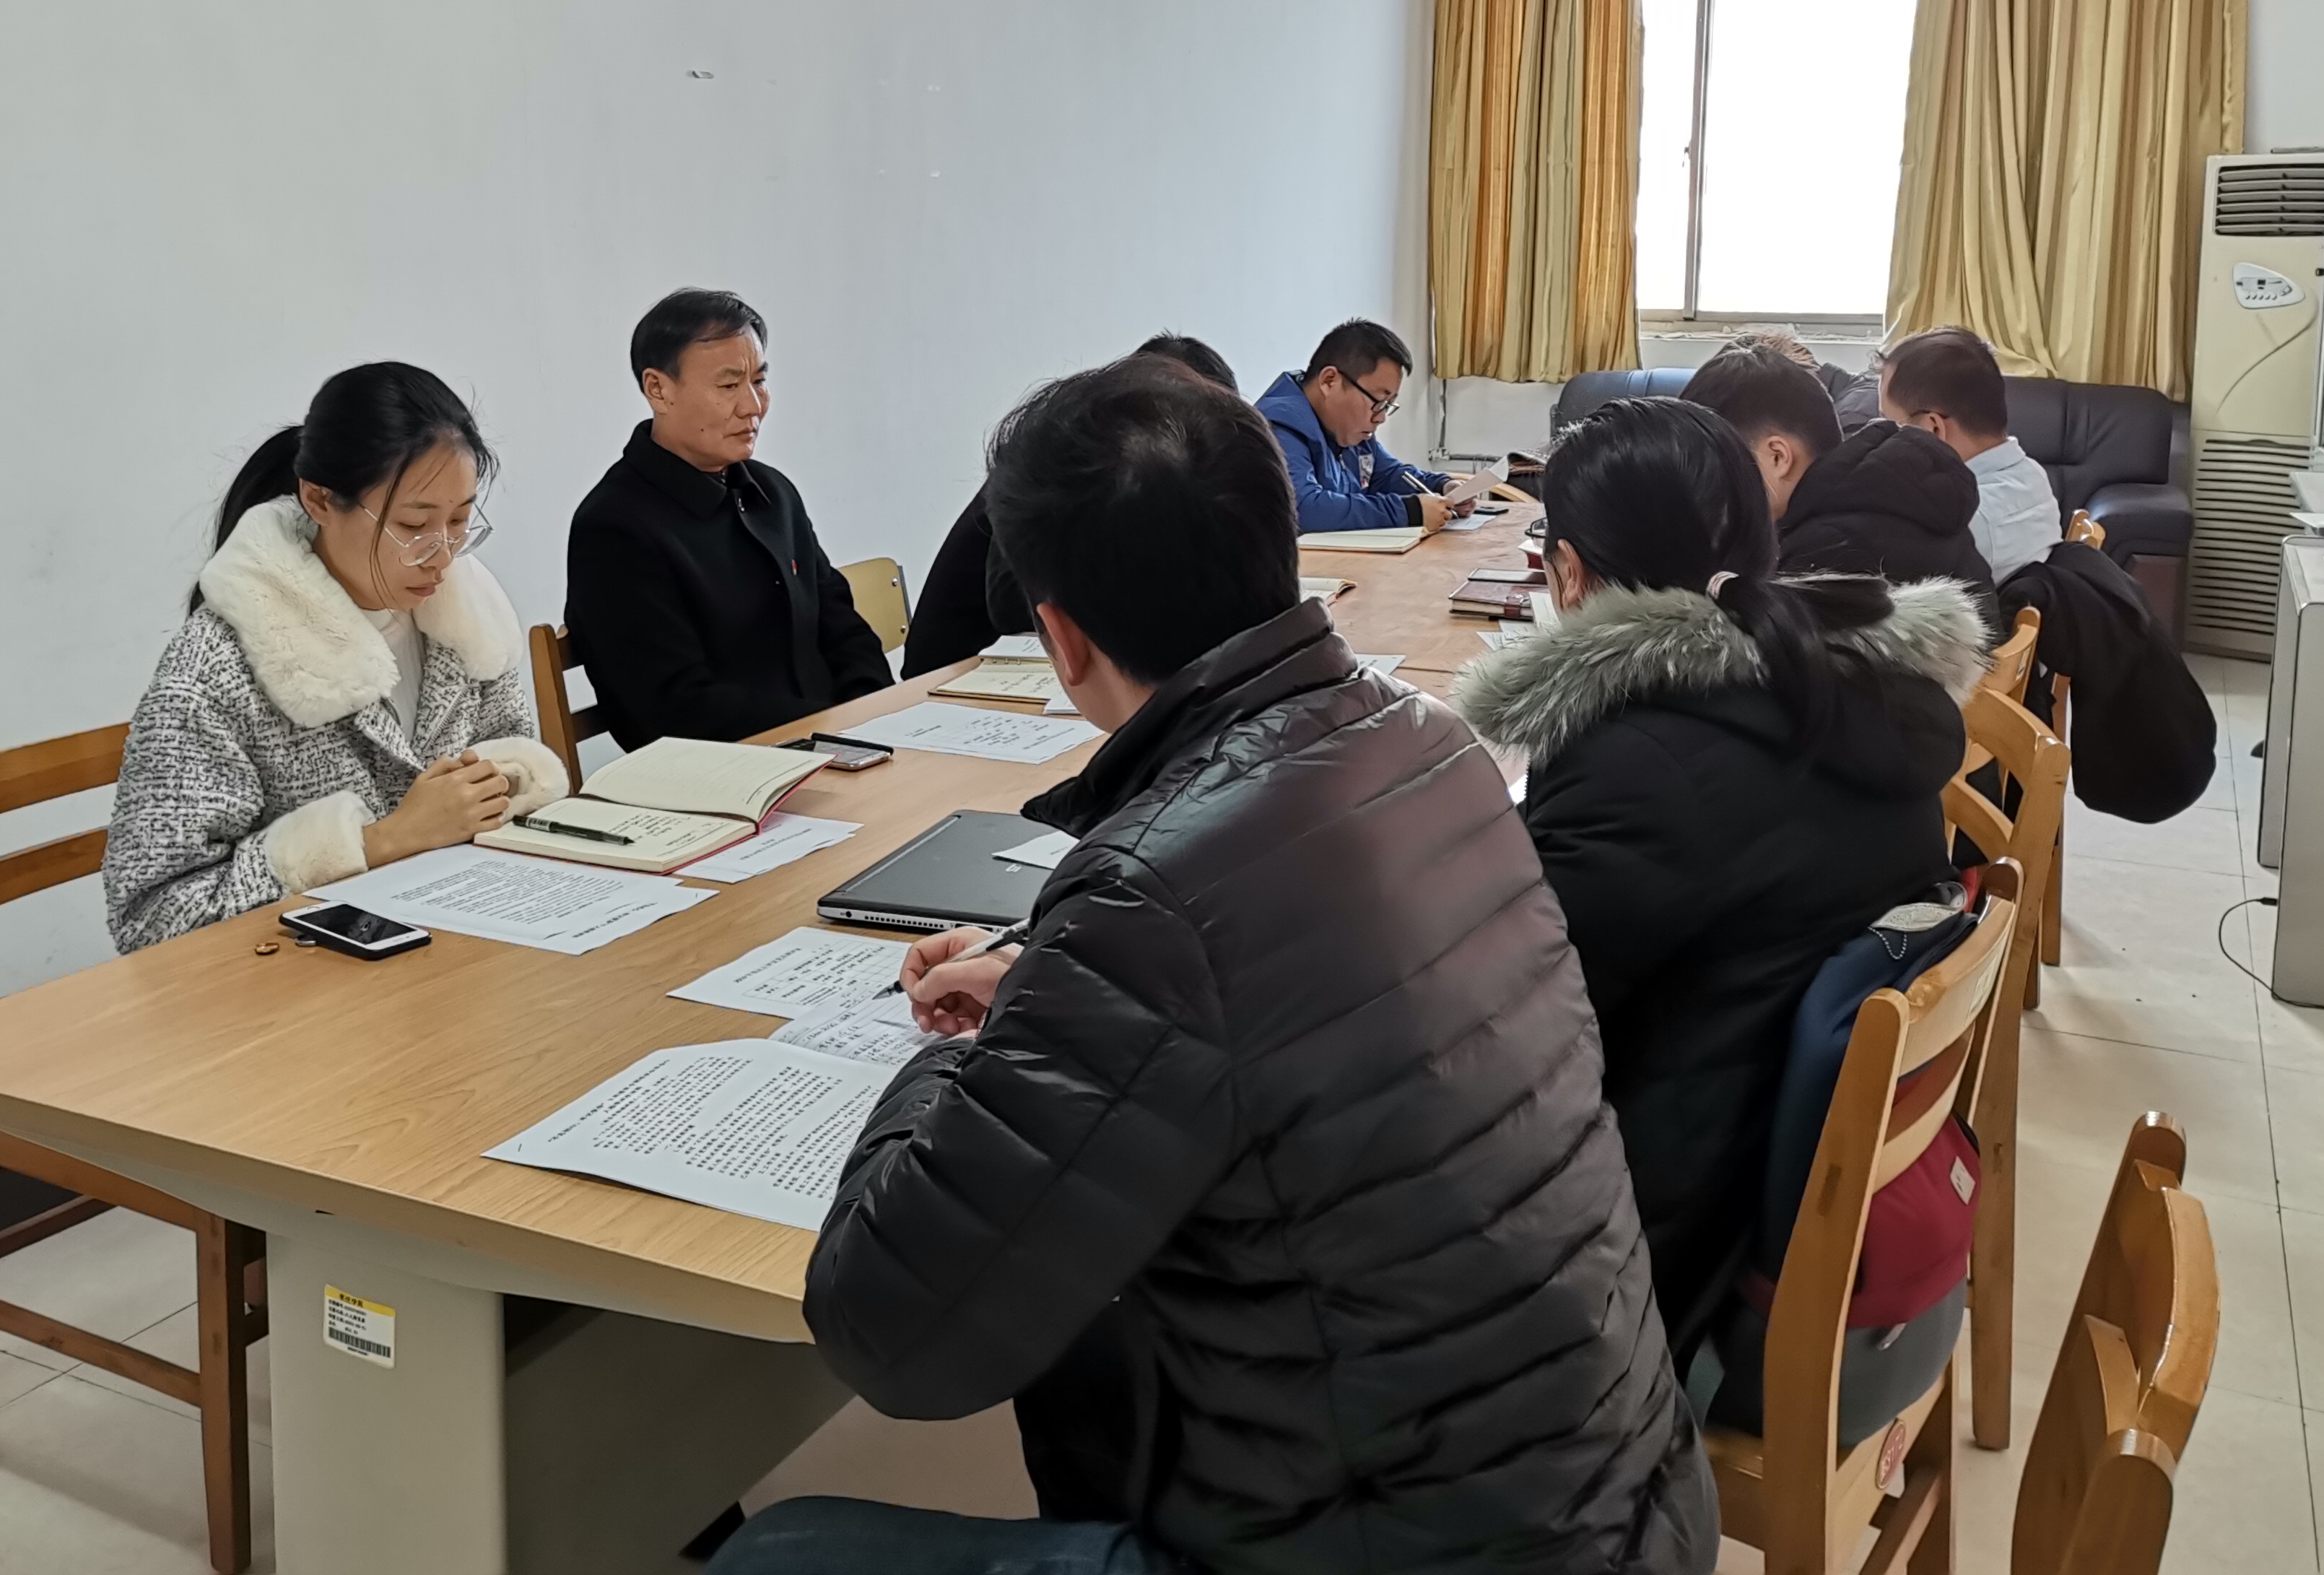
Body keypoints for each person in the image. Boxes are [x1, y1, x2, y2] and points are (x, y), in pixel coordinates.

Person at [716, 357, 1715, 1575]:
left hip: (1410, 1547)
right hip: (1617, 1497)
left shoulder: (1153, 898)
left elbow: (889, 1333)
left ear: (1060, 638)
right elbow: (1273, 985)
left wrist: (954, 1064)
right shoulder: (1429, 744)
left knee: (781, 1551)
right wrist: (1060, 987)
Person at [1449, 398, 1983, 1356]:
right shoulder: (1855, 691)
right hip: (1803, 1197)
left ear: (1567, 573)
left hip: (1674, 1260)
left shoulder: (1642, 765)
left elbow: (1500, 1031)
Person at [105, 363, 568, 952]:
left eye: (459, 521)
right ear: (320, 499)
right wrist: (383, 841)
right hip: (304, 991)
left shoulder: (464, 618)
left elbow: (513, 774)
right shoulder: (214, 671)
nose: (444, 557)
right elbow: (150, 919)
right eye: (414, 524)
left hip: (464, 952)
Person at [565, 289, 891, 749]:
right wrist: (826, 730)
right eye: (728, 385)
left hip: (832, 745)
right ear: (658, 389)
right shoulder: (614, 528)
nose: (753, 405)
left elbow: (840, 623)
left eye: (759, 380)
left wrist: (874, 714)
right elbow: (670, 709)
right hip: (731, 769)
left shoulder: (772, 493)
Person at [900, 332, 1237, 678]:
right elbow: (1007, 603)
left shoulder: (1141, 471)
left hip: (1039, 664)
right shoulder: (1056, 461)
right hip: (954, 672)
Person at [1681, 339, 1996, 607]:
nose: (1714, 493)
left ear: (1777, 456)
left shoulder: (1829, 554)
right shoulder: (1889, 495)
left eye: (1717, 469)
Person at [1879, 326, 2064, 582]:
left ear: (1933, 429)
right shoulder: (2031, 473)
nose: (1883, 439)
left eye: (1890, 425)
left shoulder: (1962, 524)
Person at [1255, 317, 1468, 534]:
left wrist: (1441, 487)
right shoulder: (1276, 429)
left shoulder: (1349, 429)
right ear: (1329, 381)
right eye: (1378, 402)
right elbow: (1304, 509)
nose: (1381, 418)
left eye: (1388, 405)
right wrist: (1408, 511)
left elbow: (1386, 475)